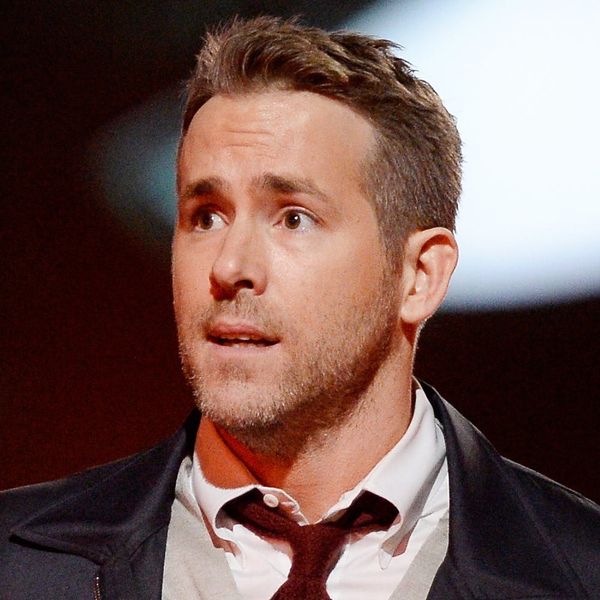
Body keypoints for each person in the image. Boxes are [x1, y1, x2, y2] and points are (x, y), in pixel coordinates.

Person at [1, 16, 599, 600]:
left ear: (419, 276)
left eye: (294, 218)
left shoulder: (580, 570)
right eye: (206, 217)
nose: (229, 267)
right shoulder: (16, 565)